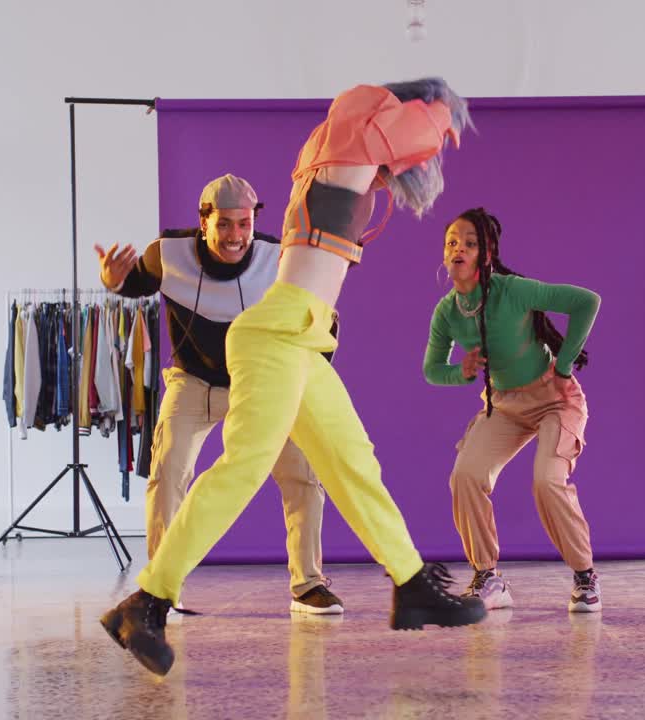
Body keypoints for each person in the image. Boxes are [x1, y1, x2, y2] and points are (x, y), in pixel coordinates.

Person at [99, 78, 487, 676]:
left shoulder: (336, 157)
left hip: (304, 336)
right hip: (278, 331)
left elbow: (399, 153)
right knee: (245, 466)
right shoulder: (351, 129)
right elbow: (423, 131)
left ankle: (411, 584)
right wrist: (442, 104)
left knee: (352, 461)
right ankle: (145, 602)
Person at [94, 174, 343, 615]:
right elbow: (135, 283)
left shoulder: (277, 259)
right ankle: (161, 588)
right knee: (168, 469)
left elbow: (321, 319)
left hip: (259, 384)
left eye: (244, 224)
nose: (236, 236)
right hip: (193, 382)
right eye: (225, 225)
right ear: (203, 221)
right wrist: (114, 281)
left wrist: (305, 378)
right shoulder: (167, 254)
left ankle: (308, 585)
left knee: (303, 474)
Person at [424, 207, 602, 612]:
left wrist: (564, 364)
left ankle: (584, 576)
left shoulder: (512, 290)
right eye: (452, 242)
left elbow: (586, 302)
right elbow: (432, 370)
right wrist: (461, 371)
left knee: (546, 482)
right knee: (466, 475)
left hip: (555, 400)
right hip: (504, 405)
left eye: (469, 243)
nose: (458, 249)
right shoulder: (447, 311)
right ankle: (487, 577)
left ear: (485, 255)